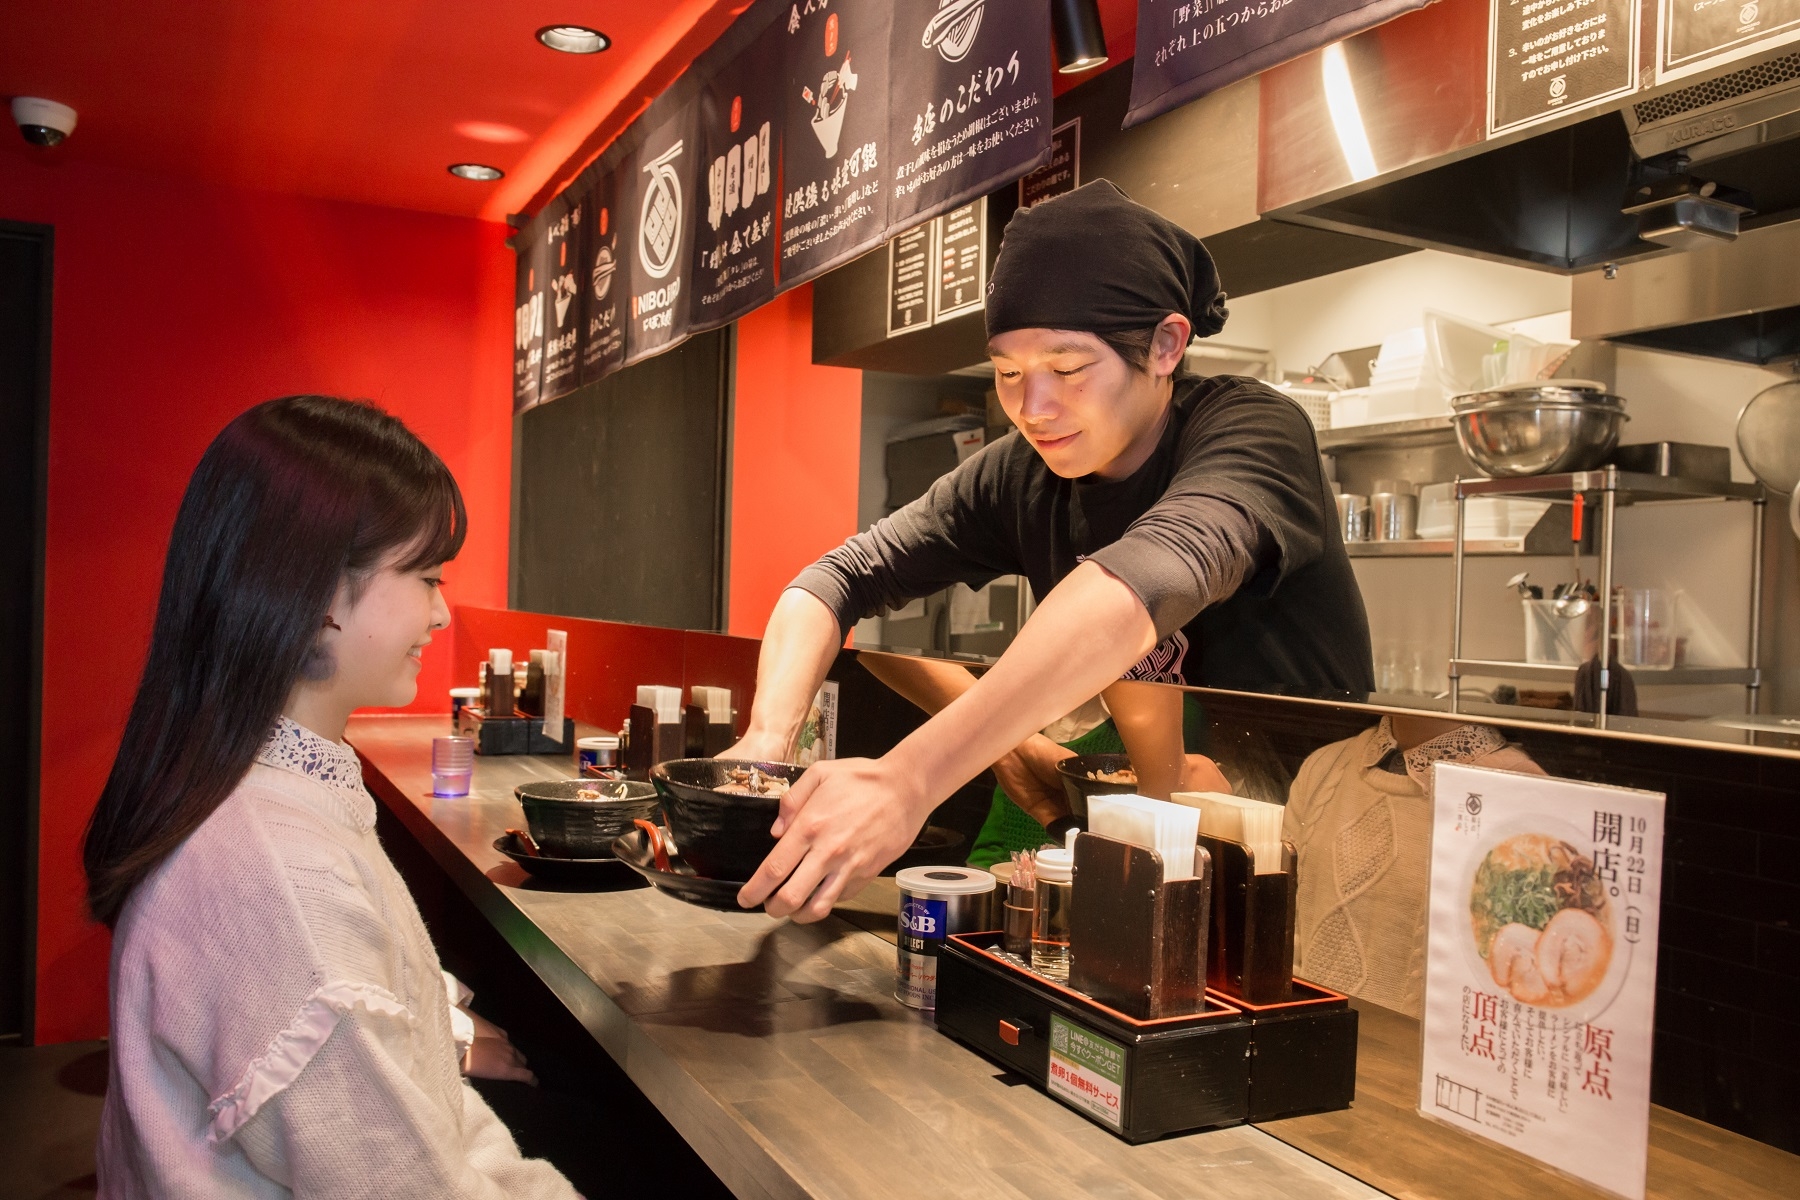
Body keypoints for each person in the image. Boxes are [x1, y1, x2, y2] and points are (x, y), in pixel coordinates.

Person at [731, 181, 1373, 921]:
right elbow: (835, 579)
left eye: (1067, 371)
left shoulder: (1254, 432)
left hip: (1299, 858)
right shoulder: (1021, 471)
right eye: (1008, 374)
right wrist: (764, 751)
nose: (1033, 409)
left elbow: (1136, 588)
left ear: (1166, 345)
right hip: (1154, 847)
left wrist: (909, 778)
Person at [85, 397, 579, 1198]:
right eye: (425, 578)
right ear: (314, 592)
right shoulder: (276, 875)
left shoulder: (263, 796)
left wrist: (435, 1032)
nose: (442, 611)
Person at [1283, 715, 1546, 1016]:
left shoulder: (1519, 790)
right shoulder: (1325, 765)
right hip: (1308, 1040)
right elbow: (1285, 933)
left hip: (1422, 1057)